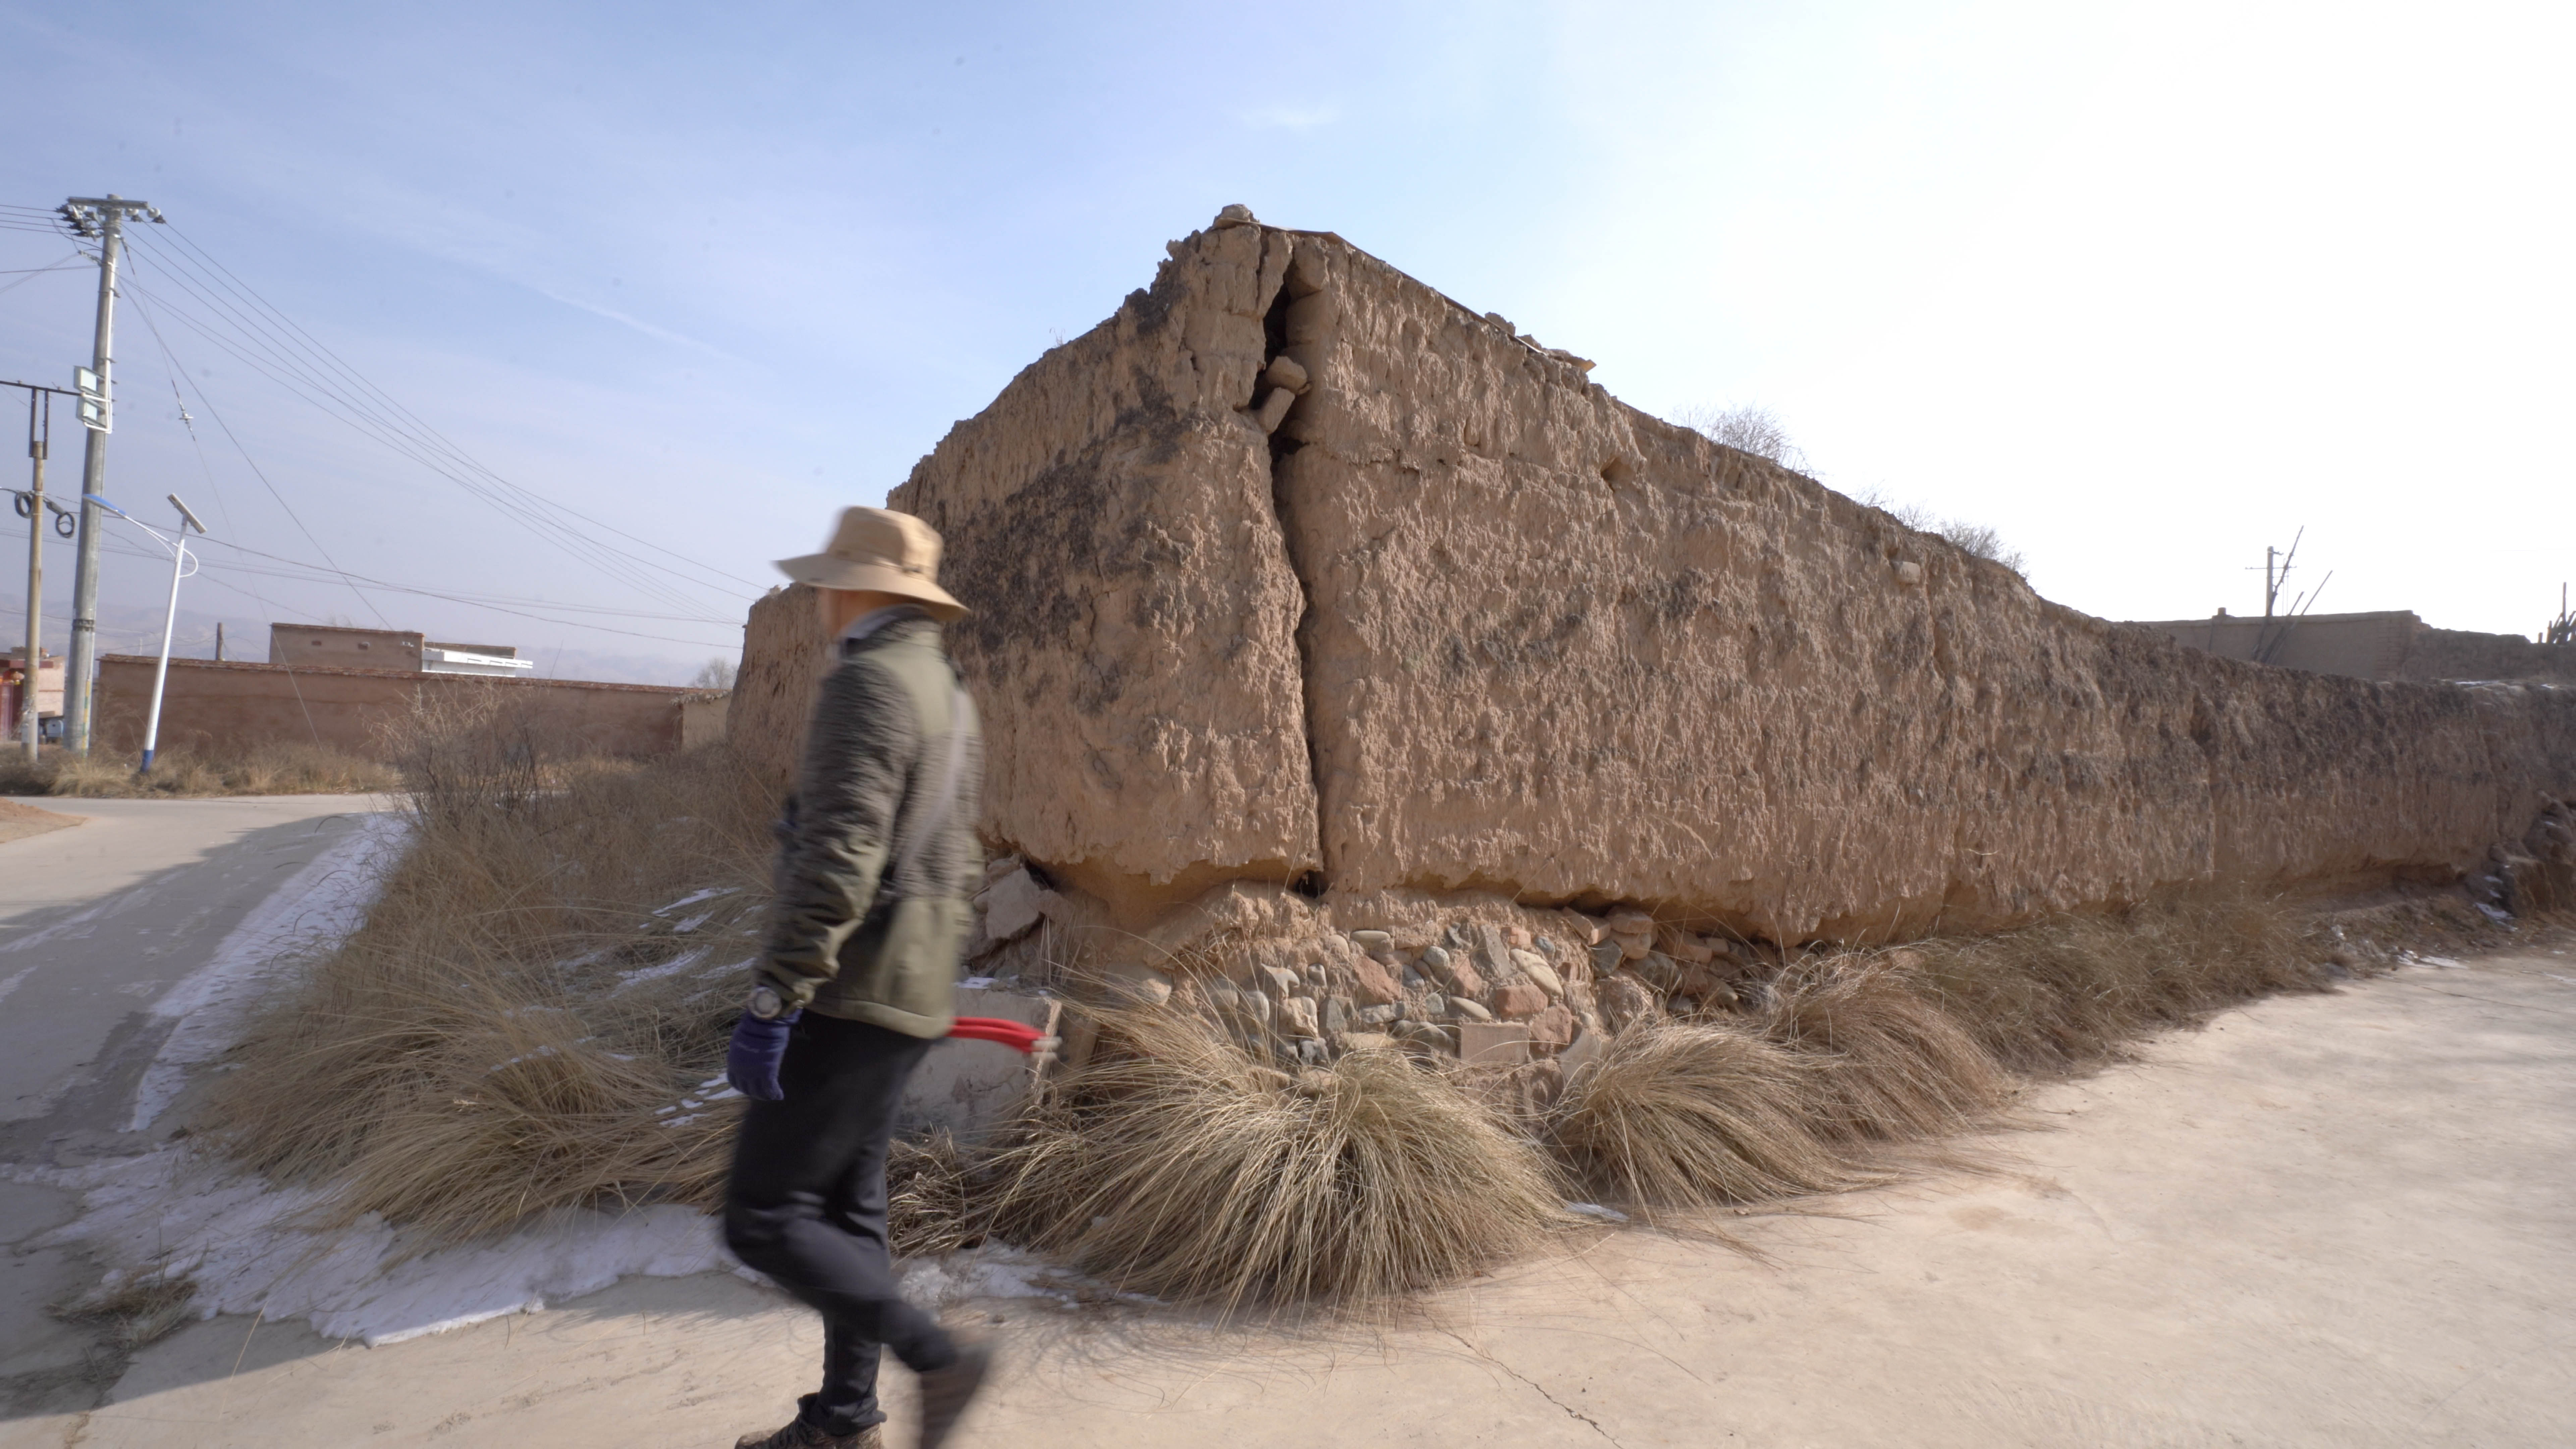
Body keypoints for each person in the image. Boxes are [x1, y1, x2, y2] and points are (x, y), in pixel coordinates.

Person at [723, 506, 992, 1449]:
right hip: (912, 987)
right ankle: (845, 1423)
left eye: (829, 582)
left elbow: (840, 862)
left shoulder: (867, 686)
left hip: (852, 987)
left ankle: (939, 1358)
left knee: (764, 1216)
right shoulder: (944, 689)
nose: (820, 601)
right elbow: (955, 861)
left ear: (855, 591)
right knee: (847, 1210)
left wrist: (776, 997)